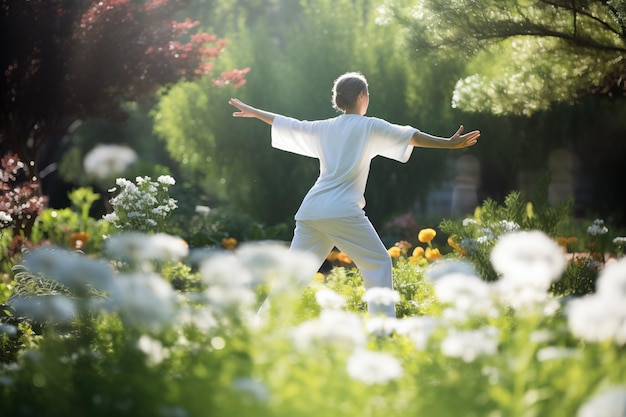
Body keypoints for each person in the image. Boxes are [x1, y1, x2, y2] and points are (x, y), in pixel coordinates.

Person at [228, 71, 480, 317]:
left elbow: (288, 123)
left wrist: (255, 112)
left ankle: (262, 328)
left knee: (293, 276)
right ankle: (383, 332)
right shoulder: (368, 126)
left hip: (312, 211)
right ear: (362, 95)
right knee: (379, 262)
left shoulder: (324, 128)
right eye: (367, 93)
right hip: (341, 210)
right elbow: (410, 136)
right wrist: (447, 143)